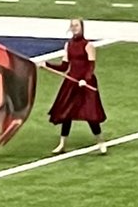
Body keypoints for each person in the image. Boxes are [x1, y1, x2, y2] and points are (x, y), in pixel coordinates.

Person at [44, 18, 107, 155]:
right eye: (72, 25)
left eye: (76, 25)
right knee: (67, 113)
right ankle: (62, 144)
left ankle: (100, 141)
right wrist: (47, 65)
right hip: (71, 82)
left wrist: (85, 80)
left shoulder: (88, 45)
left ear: (82, 27)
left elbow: (90, 66)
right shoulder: (68, 45)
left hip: (86, 83)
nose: (74, 27)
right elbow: (64, 67)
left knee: (90, 114)